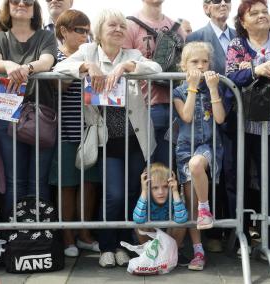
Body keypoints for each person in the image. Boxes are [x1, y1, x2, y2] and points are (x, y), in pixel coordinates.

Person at [54, 8, 161, 268]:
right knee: (113, 194)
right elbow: (59, 68)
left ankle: (124, 243)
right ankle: (107, 245)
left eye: (122, 27)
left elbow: (156, 68)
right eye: (112, 25)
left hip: (136, 137)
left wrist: (127, 66)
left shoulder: (132, 54)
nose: (118, 30)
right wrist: (86, 66)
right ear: (100, 32)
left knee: (133, 193)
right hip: (106, 139)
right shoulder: (89, 52)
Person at [225, 0, 270, 266]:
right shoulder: (236, 44)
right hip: (243, 127)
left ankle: (269, 240)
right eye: (253, 13)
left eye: (264, 11)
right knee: (239, 181)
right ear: (242, 21)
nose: (261, 16)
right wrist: (256, 70)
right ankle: (241, 236)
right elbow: (231, 77)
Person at [0, 0, 57, 218]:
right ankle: (15, 237)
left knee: (38, 180)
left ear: (35, 8)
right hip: (6, 112)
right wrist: (9, 65)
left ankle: (40, 237)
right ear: (7, 6)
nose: (22, 4)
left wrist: (27, 68)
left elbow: (47, 60)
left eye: (28, 1)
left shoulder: (46, 36)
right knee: (15, 179)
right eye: (15, 0)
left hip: (40, 114)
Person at [48, 9, 101, 258]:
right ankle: (68, 236)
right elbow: (59, 85)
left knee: (89, 183)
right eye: (80, 30)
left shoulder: (94, 55)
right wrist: (81, 64)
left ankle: (84, 233)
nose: (84, 35)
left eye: (87, 31)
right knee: (66, 185)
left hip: (91, 129)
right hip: (64, 130)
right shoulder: (56, 57)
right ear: (64, 31)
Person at [186, 0, 236, 254]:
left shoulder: (239, 34)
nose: (222, 4)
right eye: (216, 1)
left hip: (233, 112)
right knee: (208, 174)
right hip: (205, 117)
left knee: (232, 172)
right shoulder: (195, 37)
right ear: (206, 7)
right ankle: (212, 234)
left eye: (227, 0)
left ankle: (234, 233)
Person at [173, 41, 225, 271]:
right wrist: (192, 86)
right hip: (184, 147)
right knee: (190, 202)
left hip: (207, 145)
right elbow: (185, 116)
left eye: (205, 61)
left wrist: (213, 88)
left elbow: (220, 118)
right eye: (195, 62)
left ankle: (206, 206)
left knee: (197, 166)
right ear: (184, 65)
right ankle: (198, 251)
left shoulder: (216, 85)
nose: (201, 66)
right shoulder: (178, 91)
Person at [123, 0, 186, 167]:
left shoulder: (176, 26)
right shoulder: (129, 25)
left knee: (166, 170)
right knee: (139, 170)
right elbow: (121, 63)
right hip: (142, 107)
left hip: (174, 105)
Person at [133, 163, 188, 261]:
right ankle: (148, 255)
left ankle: (174, 254)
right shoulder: (146, 199)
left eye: (165, 187)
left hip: (169, 236)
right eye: (155, 188)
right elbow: (138, 219)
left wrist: (175, 192)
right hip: (152, 238)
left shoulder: (172, 198)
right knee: (139, 226)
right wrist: (144, 191)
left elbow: (182, 218)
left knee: (182, 223)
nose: (161, 192)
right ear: (148, 187)